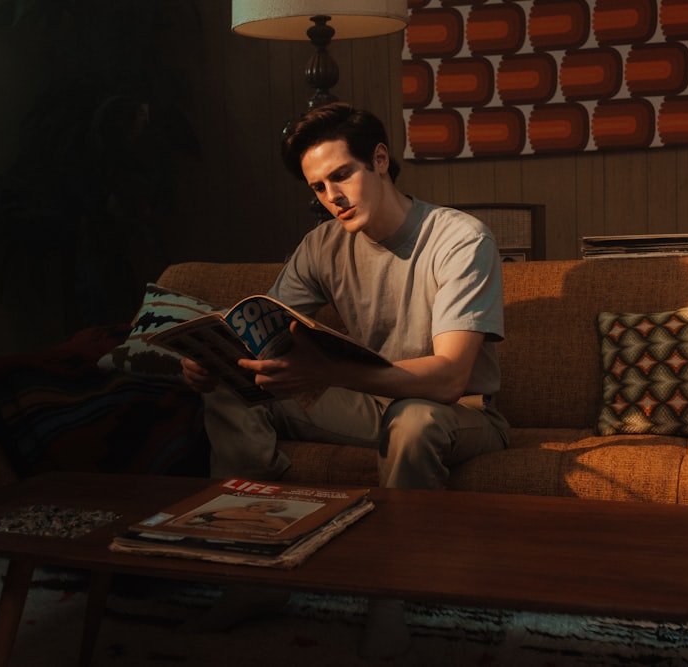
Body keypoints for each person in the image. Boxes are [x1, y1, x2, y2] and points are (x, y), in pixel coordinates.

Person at [180, 102, 510, 657]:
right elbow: (260, 332)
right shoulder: (322, 245)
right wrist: (211, 361)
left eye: (342, 175)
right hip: (367, 401)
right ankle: (253, 577)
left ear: (380, 160)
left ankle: (388, 597)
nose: (332, 196)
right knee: (237, 389)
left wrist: (326, 371)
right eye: (318, 186)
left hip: (460, 411)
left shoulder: (458, 238)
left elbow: (451, 377)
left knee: (413, 418)